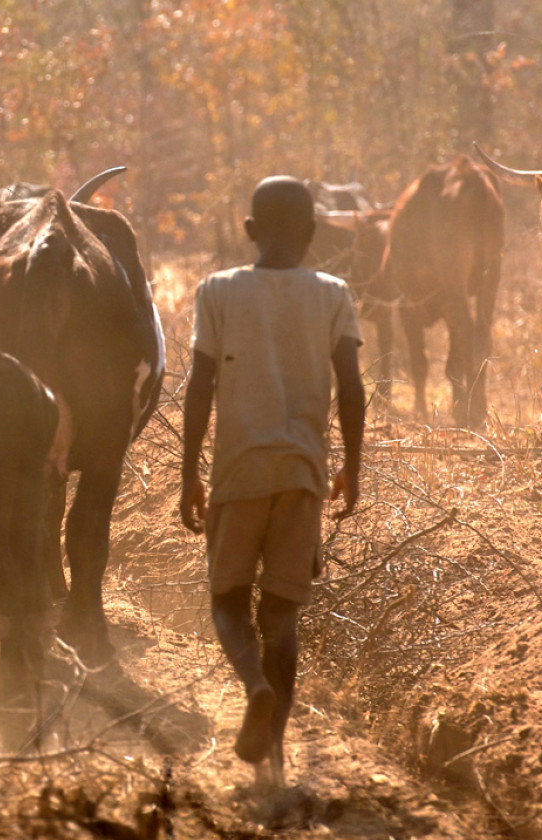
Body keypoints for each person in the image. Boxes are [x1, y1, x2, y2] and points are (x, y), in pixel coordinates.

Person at [179, 175, 365, 783]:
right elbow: (353, 389)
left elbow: (199, 388)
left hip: (239, 471)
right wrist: (351, 468)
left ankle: (253, 685)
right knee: (281, 614)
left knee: (227, 601)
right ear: (313, 234)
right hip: (303, 475)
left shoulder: (219, 292)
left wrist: (189, 476)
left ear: (250, 231)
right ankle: (276, 758)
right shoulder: (334, 293)